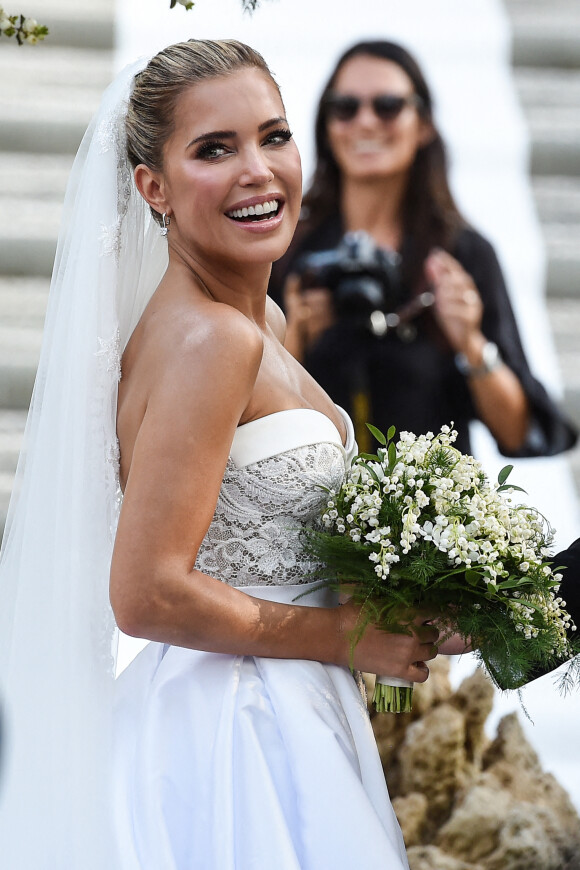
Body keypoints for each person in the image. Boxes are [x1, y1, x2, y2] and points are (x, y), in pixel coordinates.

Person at [0, 39, 470, 870]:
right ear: (155, 188)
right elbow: (145, 594)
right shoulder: (210, 341)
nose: (258, 170)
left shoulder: (262, 324)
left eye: (273, 136)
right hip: (240, 735)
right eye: (214, 149)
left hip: (286, 704)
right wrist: (342, 638)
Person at [269, 40, 577, 457]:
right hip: (309, 512)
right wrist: (294, 344)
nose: (365, 122)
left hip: (430, 518)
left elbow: (519, 432)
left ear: (425, 124)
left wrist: (469, 342)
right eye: (345, 107)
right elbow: (247, 417)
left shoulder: (461, 256)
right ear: (326, 124)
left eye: (388, 105)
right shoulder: (285, 247)